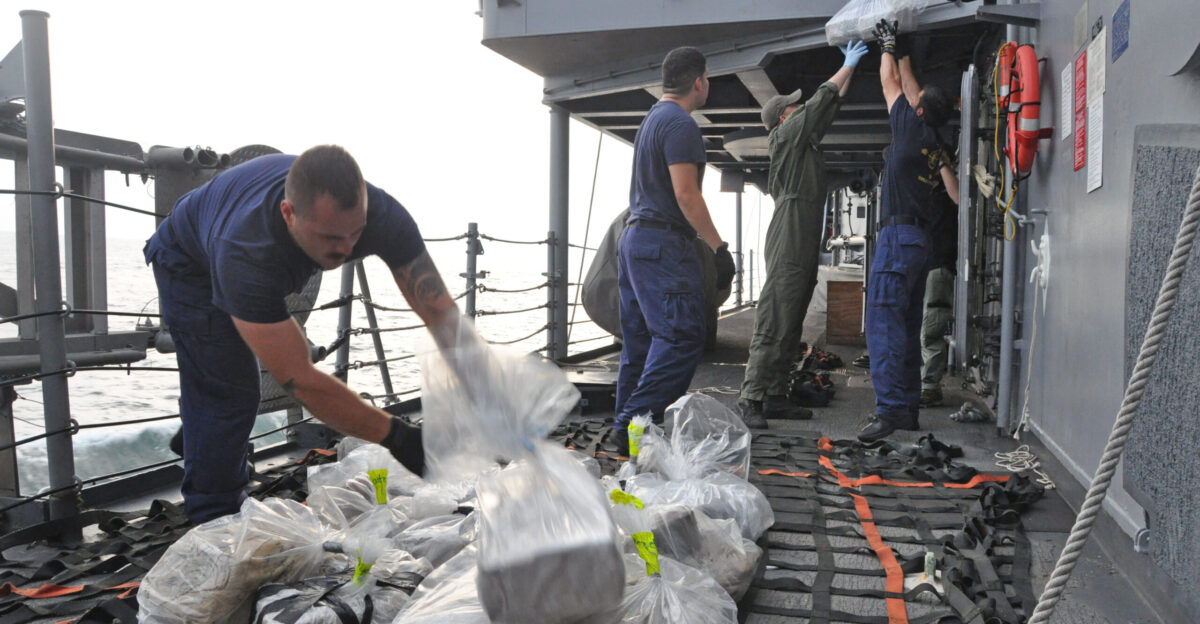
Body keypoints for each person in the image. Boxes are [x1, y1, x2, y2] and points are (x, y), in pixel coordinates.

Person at [144, 145, 458, 523]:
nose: (345, 250)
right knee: (228, 392)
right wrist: (400, 438)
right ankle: (213, 518)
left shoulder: (384, 215)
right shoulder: (245, 251)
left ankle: (203, 438)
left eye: (355, 234)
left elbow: (441, 312)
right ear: (288, 213)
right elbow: (302, 381)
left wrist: (482, 384)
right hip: (188, 260)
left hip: (239, 232)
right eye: (329, 238)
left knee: (221, 404)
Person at [738, 40, 869, 429]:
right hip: (791, 225)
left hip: (802, 224)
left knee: (792, 315)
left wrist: (850, 72)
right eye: (793, 105)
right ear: (784, 117)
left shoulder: (802, 142)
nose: (798, 106)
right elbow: (818, 104)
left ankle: (775, 394)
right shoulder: (786, 136)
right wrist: (845, 67)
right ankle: (752, 396)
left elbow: (825, 108)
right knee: (776, 313)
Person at [612, 46, 736, 455]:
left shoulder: (652, 119)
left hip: (635, 241)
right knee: (682, 336)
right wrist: (719, 249)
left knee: (640, 345)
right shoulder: (681, 124)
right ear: (698, 81)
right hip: (662, 246)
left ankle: (630, 436)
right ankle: (635, 424)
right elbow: (686, 195)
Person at [858, 20, 959, 443]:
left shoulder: (906, 125)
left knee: (882, 325)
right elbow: (955, 194)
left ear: (919, 108)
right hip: (922, 243)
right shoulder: (935, 140)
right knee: (908, 326)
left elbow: (888, 82)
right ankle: (910, 409)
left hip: (897, 241)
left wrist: (887, 44)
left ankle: (891, 411)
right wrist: (899, 53)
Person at [920, 167, 959, 407]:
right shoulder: (921, 198)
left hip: (938, 268)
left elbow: (959, 197)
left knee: (931, 327)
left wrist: (942, 165)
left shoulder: (947, 196)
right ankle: (925, 384)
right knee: (922, 328)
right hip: (924, 268)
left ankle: (929, 386)